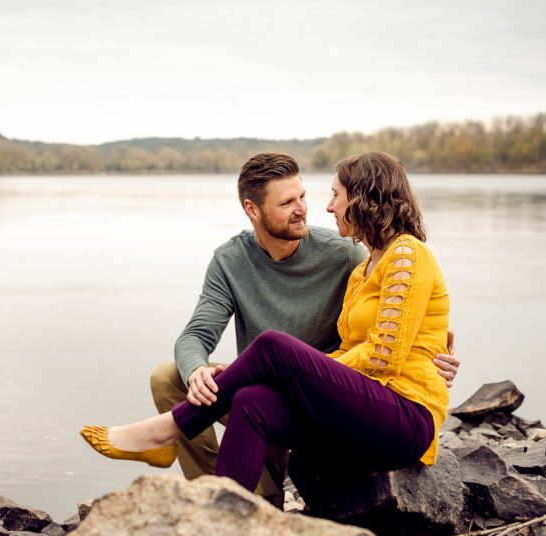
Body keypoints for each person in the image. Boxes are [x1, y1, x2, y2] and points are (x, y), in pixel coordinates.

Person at [81, 151, 452, 497]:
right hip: (331, 400)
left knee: (273, 346)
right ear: (253, 210)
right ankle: (224, 513)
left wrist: (441, 352)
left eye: (327, 195)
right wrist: (260, 374)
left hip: (399, 414)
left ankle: (166, 429)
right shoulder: (362, 269)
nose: (316, 208)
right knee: (249, 398)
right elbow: (364, 338)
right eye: (288, 202)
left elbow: (390, 347)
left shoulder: (393, 254)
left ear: (364, 197)